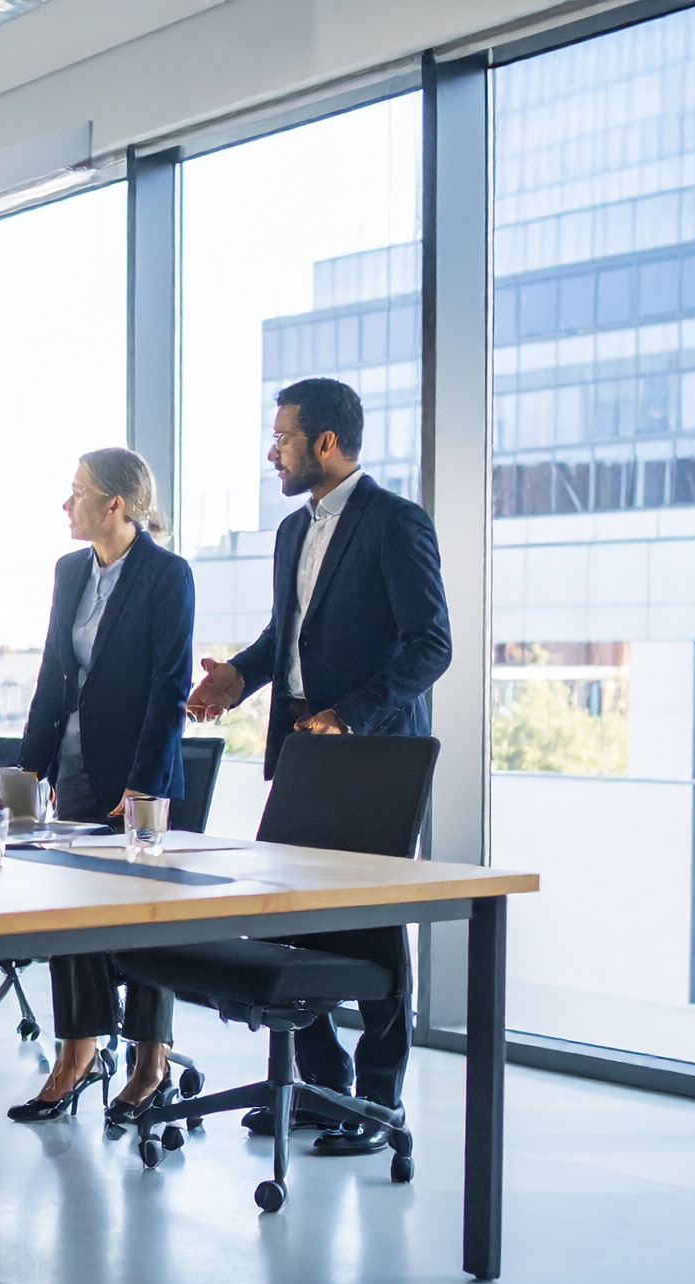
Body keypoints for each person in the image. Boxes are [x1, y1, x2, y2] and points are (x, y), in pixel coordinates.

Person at [184, 376, 450, 1155]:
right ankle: (320, 1088)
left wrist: (352, 715)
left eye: (284, 438)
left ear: (325, 444)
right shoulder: (293, 533)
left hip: (372, 761)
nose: (274, 452)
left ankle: (377, 1103)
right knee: (293, 925)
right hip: (301, 753)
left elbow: (430, 643)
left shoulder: (396, 523)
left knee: (369, 931)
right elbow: (285, 639)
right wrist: (234, 678)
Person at [5, 449, 195, 1127]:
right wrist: (30, 765)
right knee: (74, 906)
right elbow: (54, 673)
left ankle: (151, 1057)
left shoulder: (167, 576)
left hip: (140, 770)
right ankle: (77, 1049)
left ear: (115, 505)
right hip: (76, 761)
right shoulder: (69, 571)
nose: (67, 504)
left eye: (77, 492)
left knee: (143, 914)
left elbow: (169, 687)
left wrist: (142, 784)